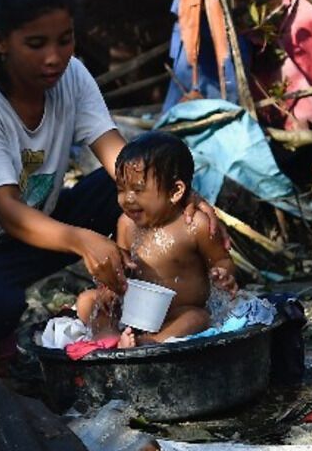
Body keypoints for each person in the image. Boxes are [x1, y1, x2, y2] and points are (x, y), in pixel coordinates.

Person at [0, 0, 132, 371]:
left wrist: (178, 201)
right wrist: (84, 242)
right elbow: (8, 212)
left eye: (65, 40)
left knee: (137, 184)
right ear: (0, 42)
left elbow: (117, 155)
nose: (55, 57)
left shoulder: (72, 75)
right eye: (36, 44)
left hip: (39, 231)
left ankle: (129, 300)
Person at [76, 132, 237, 347]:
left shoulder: (195, 225)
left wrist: (223, 274)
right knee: (87, 300)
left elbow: (221, 259)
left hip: (178, 313)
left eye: (138, 190)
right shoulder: (126, 224)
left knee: (198, 318)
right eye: (121, 189)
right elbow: (121, 267)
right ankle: (108, 339)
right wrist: (110, 289)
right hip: (134, 310)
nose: (127, 199)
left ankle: (150, 342)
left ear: (176, 191)